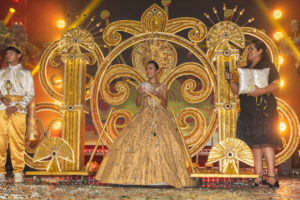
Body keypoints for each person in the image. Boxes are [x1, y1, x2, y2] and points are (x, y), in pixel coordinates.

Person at [95, 60, 195, 188]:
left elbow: (164, 105)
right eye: (147, 69)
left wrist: (158, 95)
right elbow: (138, 104)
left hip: (160, 117)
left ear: (157, 71)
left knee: (162, 146)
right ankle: (139, 177)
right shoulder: (142, 85)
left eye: (151, 68)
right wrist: (138, 94)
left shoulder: (163, 86)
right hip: (144, 116)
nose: (148, 71)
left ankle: (163, 177)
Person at [225, 40, 282, 188]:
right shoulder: (244, 68)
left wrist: (262, 91)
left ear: (260, 51)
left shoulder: (267, 66)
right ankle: (259, 176)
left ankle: (272, 177)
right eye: (248, 49)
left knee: (265, 141)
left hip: (263, 108)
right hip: (248, 109)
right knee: (255, 144)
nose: (248, 52)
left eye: (251, 49)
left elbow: (277, 83)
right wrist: (230, 80)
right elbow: (237, 91)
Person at [0, 43, 35, 183]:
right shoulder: (1, 72)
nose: (8, 55)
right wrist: (1, 97)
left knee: (17, 141)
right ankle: (1, 172)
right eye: (7, 53)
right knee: (1, 140)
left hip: (18, 110)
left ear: (19, 55)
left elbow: (30, 93)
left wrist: (17, 106)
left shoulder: (26, 73)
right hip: (2, 108)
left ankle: (18, 171)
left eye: (11, 53)